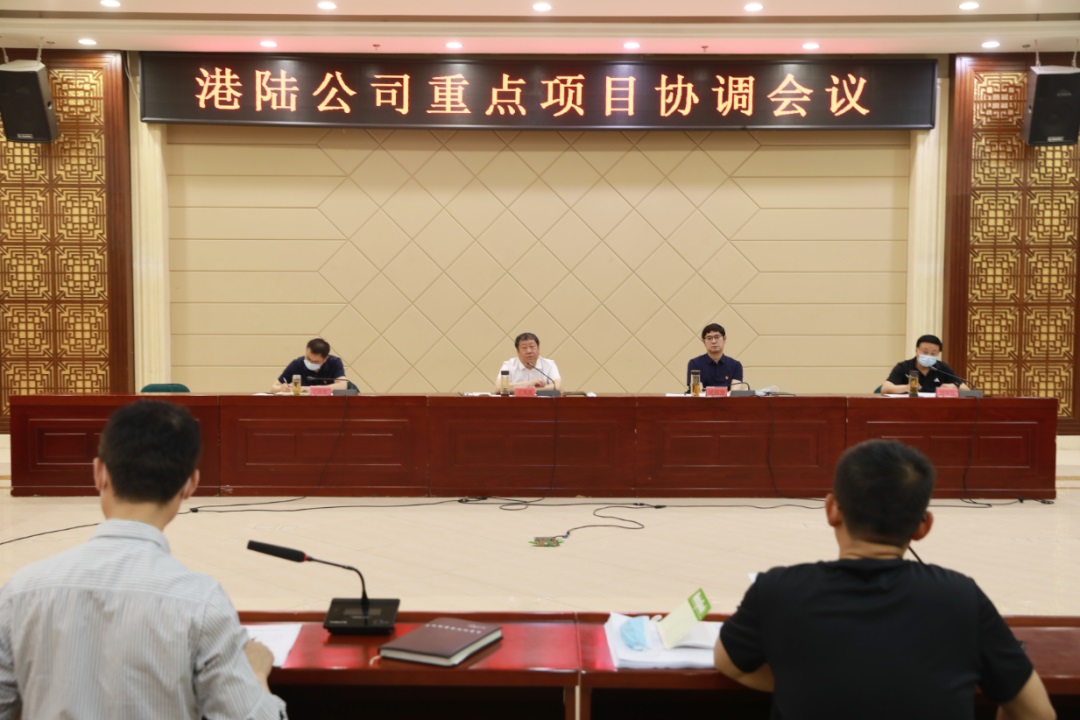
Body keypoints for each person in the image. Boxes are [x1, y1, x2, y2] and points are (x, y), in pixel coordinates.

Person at [714, 439, 1055, 720]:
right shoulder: (961, 597)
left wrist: (804, 680)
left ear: (831, 509)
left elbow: (731, 665)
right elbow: (1037, 713)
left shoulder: (776, 591)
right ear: (923, 526)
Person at [0, 401, 288, 720]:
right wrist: (255, 673)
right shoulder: (201, 602)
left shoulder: (19, 593)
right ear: (190, 484)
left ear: (99, 473)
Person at [881, 333, 970, 393]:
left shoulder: (942, 368)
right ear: (916, 350)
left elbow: (967, 390)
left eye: (933, 353)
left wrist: (955, 386)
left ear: (938, 354)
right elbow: (885, 388)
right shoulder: (903, 367)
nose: (928, 356)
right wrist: (906, 388)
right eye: (925, 352)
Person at [272, 337, 348, 393]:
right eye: (308, 358)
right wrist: (281, 388)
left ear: (325, 359)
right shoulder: (297, 364)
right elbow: (273, 388)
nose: (310, 363)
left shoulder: (334, 362)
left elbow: (342, 386)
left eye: (316, 362)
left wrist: (307, 389)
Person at [494, 332, 561, 392]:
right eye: (524, 347)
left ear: (538, 349)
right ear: (518, 352)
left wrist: (531, 390)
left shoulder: (549, 364)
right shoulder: (509, 365)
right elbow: (499, 387)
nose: (529, 351)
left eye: (532, 347)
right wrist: (529, 384)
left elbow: (557, 386)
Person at [686, 323, 743, 392]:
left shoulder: (735, 365)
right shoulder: (694, 364)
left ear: (724, 339)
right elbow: (697, 392)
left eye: (717, 337)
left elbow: (735, 393)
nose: (713, 341)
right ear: (704, 342)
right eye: (709, 338)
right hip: (703, 399)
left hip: (727, 399)